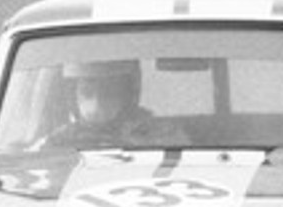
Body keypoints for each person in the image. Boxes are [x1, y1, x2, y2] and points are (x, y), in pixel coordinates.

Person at [42, 59, 188, 149]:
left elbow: (184, 167)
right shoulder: (59, 141)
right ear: (72, 96)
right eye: (87, 92)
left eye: (108, 92)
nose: (97, 102)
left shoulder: (162, 134)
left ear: (126, 94)